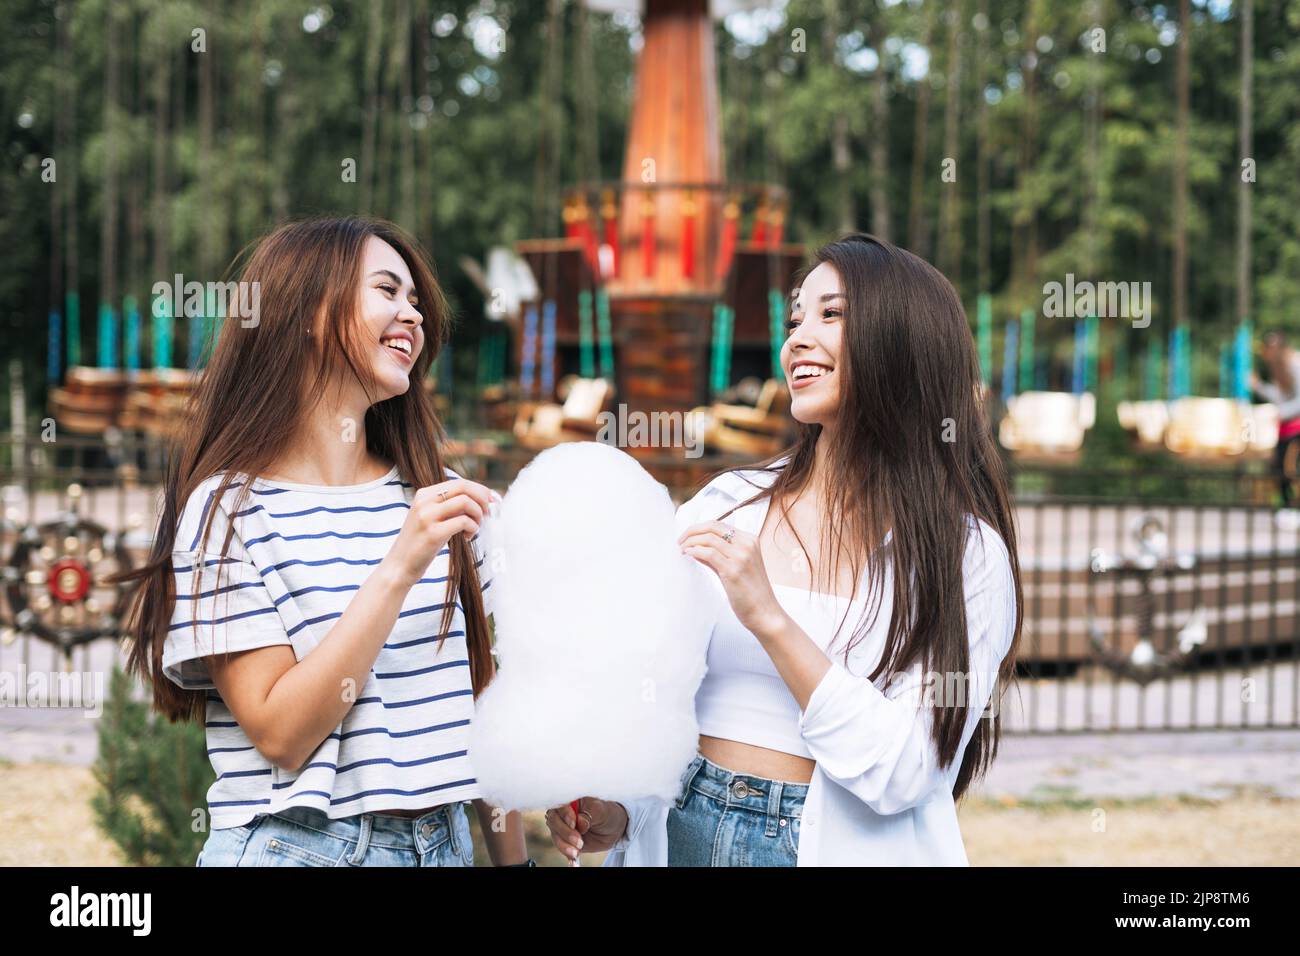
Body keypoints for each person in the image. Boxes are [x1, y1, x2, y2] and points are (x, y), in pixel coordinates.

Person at [545, 233, 1022, 866]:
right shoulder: (727, 503)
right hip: (686, 829)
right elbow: (658, 694)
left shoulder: (964, 554)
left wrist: (769, 617)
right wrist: (622, 809)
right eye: (796, 316)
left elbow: (906, 770)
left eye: (832, 314)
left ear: (904, 342)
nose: (796, 337)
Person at [120, 216, 531, 866]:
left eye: (417, 303)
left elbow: (480, 696)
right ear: (310, 314)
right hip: (302, 845)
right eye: (388, 292)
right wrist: (400, 565)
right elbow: (282, 732)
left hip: (443, 843)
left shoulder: (439, 497)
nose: (412, 316)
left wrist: (517, 863)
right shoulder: (231, 510)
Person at [1249, 330, 1300, 518]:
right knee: (1279, 468)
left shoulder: (1295, 363)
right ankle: (1287, 506)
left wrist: (1279, 412)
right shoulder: (1279, 368)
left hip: (1296, 427)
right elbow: (1280, 397)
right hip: (1286, 427)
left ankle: (1292, 507)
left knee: (1288, 468)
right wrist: (1259, 386)